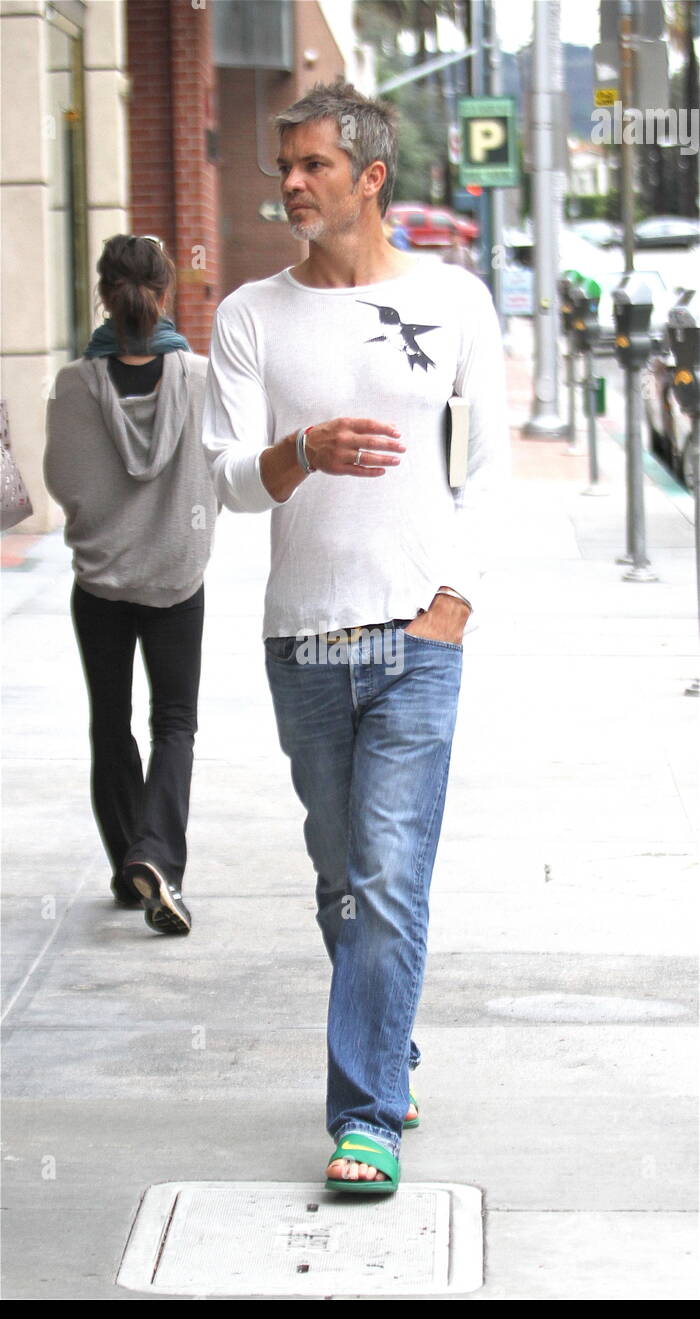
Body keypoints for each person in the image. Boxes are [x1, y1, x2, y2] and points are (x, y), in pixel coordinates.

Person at [202, 81, 509, 1193]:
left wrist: (455, 598)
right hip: (306, 642)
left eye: (313, 165)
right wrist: (303, 451)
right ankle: (389, 1042)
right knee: (340, 878)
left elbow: (484, 467)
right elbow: (230, 482)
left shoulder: (456, 300)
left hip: (418, 635)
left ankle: (365, 1111)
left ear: (369, 177)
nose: (289, 182)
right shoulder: (247, 316)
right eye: (283, 164)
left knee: (387, 879)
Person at [44, 233, 217, 935]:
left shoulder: (74, 384)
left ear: (103, 296)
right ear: (165, 293)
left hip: (102, 582)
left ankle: (129, 868)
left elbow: (64, 481)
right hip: (177, 575)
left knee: (110, 723)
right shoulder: (201, 380)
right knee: (174, 723)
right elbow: (223, 472)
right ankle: (157, 861)